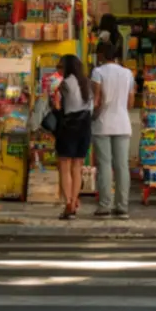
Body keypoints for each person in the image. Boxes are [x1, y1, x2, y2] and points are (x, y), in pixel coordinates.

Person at [91, 41, 135, 219]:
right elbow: (131, 103)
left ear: (101, 55)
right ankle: (122, 205)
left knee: (104, 166)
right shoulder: (127, 73)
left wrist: (93, 116)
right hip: (123, 123)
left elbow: (97, 100)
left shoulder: (98, 72)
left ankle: (104, 206)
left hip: (102, 124)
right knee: (122, 166)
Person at [52, 54, 94, 220]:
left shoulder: (64, 84)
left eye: (60, 67)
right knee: (77, 165)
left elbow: (57, 104)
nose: (59, 70)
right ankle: (75, 200)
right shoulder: (87, 84)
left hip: (69, 125)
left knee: (64, 164)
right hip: (85, 125)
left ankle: (68, 202)